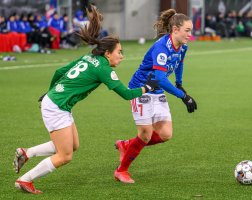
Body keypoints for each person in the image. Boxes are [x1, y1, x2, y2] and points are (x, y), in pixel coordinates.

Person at [13, 5, 159, 194]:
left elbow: (59, 72)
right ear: (107, 54)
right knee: (65, 156)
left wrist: (51, 92)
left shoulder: (89, 57)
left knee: (73, 145)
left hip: (56, 101)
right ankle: (25, 180)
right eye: (119, 52)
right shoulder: (104, 69)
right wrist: (147, 88)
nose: (121, 56)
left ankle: (27, 153)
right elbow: (126, 94)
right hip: (57, 106)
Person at [114, 9, 197, 184]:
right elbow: (159, 77)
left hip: (157, 90)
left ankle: (127, 145)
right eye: (187, 30)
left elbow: (179, 62)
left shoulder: (182, 46)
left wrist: (179, 83)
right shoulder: (161, 47)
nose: (190, 34)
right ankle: (121, 171)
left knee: (166, 134)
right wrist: (182, 96)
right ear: (175, 29)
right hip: (141, 89)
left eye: (191, 30)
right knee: (145, 135)